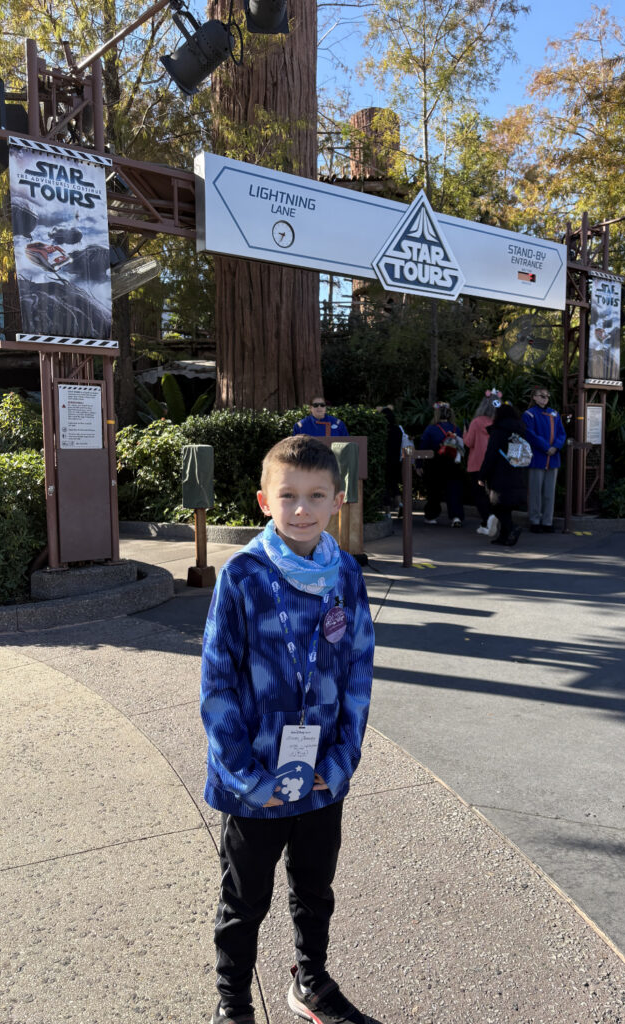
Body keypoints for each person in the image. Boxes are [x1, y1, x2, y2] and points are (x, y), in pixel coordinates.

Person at [201, 435, 374, 1024]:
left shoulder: (346, 575)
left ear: (336, 502)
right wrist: (247, 778)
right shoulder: (244, 576)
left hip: (321, 776)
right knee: (244, 899)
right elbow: (217, 684)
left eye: (315, 496)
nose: (302, 509)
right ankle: (233, 1003)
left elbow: (358, 674)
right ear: (263, 501)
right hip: (254, 776)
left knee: (315, 888)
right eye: (289, 496)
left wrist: (341, 763)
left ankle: (311, 979)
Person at [478, 401, 529, 547]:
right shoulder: (520, 430)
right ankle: (504, 536)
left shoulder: (498, 431)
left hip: (499, 473)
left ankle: (512, 528)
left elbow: (490, 455)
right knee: (505, 506)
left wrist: (482, 475)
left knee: (496, 505)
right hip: (516, 471)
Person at [521, 385, 566, 533]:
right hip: (537, 458)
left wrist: (556, 446)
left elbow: (562, 434)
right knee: (535, 492)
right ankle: (535, 521)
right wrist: (546, 447)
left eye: (547, 396)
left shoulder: (555, 413)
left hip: (553, 459)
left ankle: (547, 521)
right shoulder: (529, 415)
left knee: (549, 493)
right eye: (542, 395)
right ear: (534, 397)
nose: (545, 399)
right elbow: (530, 434)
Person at [419, 401, 466, 526]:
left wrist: (418, 465)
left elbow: (423, 447)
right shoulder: (457, 429)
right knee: (454, 490)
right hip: (453, 463)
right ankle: (456, 517)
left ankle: (431, 516)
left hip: (435, 463)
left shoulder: (431, 429)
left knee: (434, 490)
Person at [462, 389, 500, 536]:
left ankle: (488, 518)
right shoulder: (498, 423)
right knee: (493, 493)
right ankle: (490, 521)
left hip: (477, 463)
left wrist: (465, 432)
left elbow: (469, 442)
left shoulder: (476, 422)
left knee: (479, 494)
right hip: (494, 463)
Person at [379, 405, 404, 513]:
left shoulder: (381, 430)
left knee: (385, 485)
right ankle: (399, 504)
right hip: (396, 460)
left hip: (384, 459)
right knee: (394, 484)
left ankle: (387, 510)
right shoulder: (398, 429)